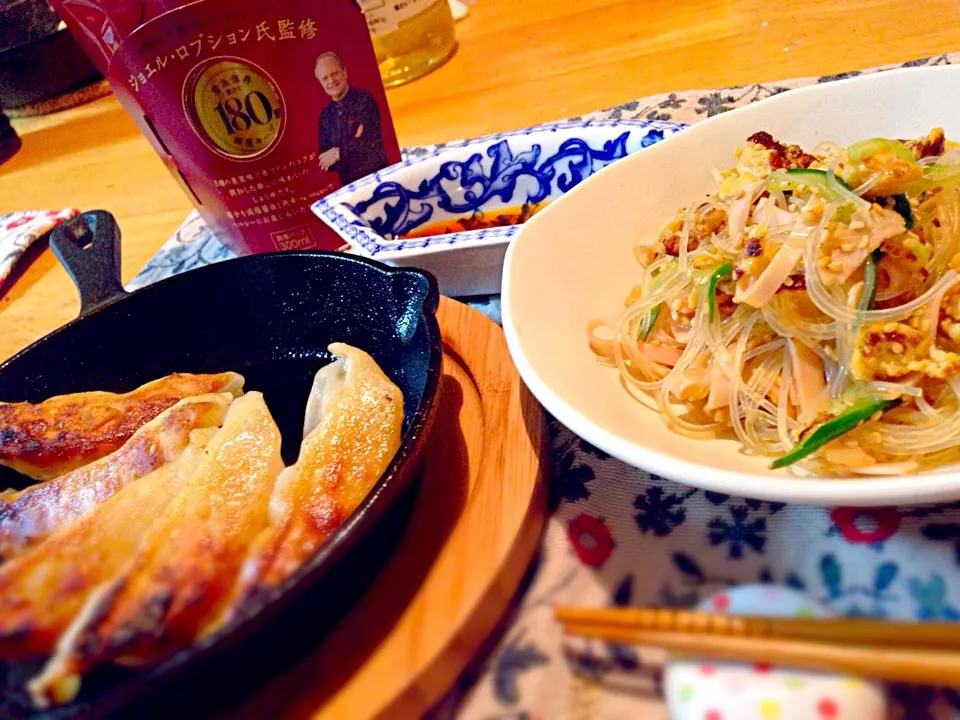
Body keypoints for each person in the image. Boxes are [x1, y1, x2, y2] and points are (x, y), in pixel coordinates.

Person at [315, 52, 388, 186]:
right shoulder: (325, 116)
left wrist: (338, 153)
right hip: (349, 187)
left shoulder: (364, 100)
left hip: (379, 178)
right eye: (325, 78)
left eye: (334, 73)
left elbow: (370, 143)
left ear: (344, 72)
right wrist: (353, 146)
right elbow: (325, 161)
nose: (331, 81)